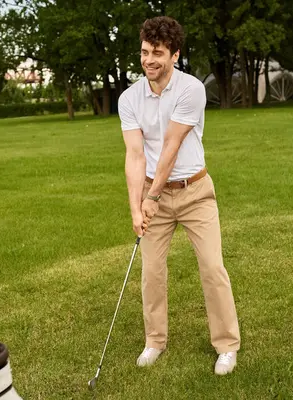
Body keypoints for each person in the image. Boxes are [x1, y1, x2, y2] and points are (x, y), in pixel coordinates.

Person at [118, 16, 241, 375]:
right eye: (144, 52)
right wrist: (135, 208)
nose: (149, 60)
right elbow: (135, 155)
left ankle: (227, 345)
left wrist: (151, 198)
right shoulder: (129, 98)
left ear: (175, 55)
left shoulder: (191, 90)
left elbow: (171, 146)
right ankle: (155, 341)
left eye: (157, 53)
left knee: (212, 268)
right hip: (152, 195)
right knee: (151, 271)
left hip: (195, 192)